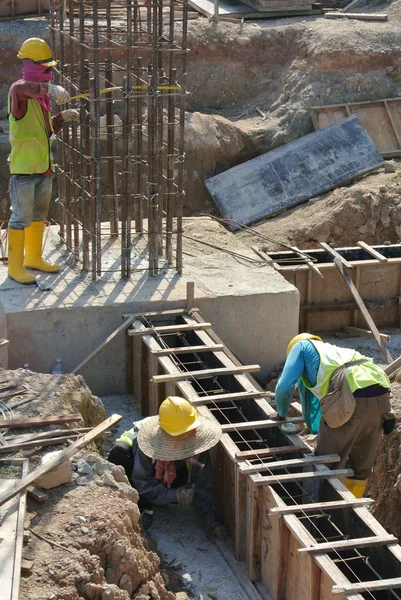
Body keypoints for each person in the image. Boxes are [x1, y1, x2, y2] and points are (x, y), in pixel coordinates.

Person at [270, 333, 395, 498]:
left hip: (351, 397)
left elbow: (284, 387)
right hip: (382, 397)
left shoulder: (300, 347)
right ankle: (350, 514)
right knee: (360, 468)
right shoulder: (333, 353)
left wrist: (281, 414)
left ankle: (321, 513)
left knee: (325, 463)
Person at [7, 37, 79, 285]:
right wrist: (50, 89)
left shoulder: (42, 101)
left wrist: (62, 118)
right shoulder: (19, 92)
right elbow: (22, 89)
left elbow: (46, 130)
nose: (49, 72)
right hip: (24, 170)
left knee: (39, 216)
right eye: (45, 67)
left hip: (44, 168)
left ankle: (33, 258)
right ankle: (15, 267)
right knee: (21, 218)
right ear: (31, 65)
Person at [108, 396, 227, 540]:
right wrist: (174, 495)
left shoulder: (196, 440)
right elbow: (141, 481)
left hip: (166, 474)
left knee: (182, 473)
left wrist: (210, 521)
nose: (186, 437)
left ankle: (162, 496)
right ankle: (142, 507)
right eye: (181, 435)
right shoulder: (147, 441)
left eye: (188, 433)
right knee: (118, 453)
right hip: (135, 469)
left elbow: (203, 480)